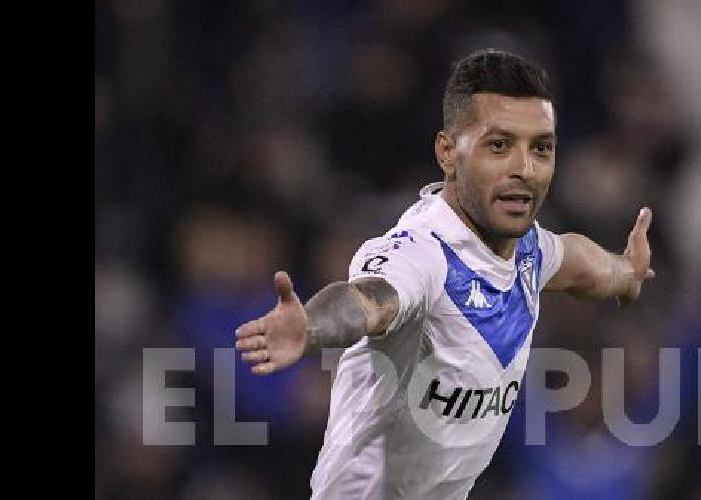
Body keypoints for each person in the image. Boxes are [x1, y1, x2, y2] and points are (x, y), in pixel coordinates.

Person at [234, 48, 655, 499]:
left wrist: (624, 272)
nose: (524, 169)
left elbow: (574, 262)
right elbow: (370, 300)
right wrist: (314, 326)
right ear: (448, 152)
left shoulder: (526, 251)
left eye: (541, 148)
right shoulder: (421, 254)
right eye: (499, 145)